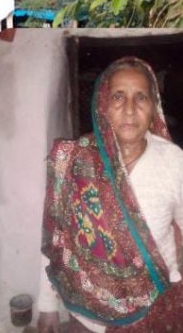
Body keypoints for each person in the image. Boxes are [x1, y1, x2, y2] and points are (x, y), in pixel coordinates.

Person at [37, 56, 183, 333]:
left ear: (154, 107)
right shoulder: (76, 161)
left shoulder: (174, 161)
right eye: (118, 97)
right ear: (102, 104)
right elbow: (56, 236)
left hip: (157, 310)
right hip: (89, 319)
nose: (130, 109)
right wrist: (46, 304)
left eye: (141, 97)